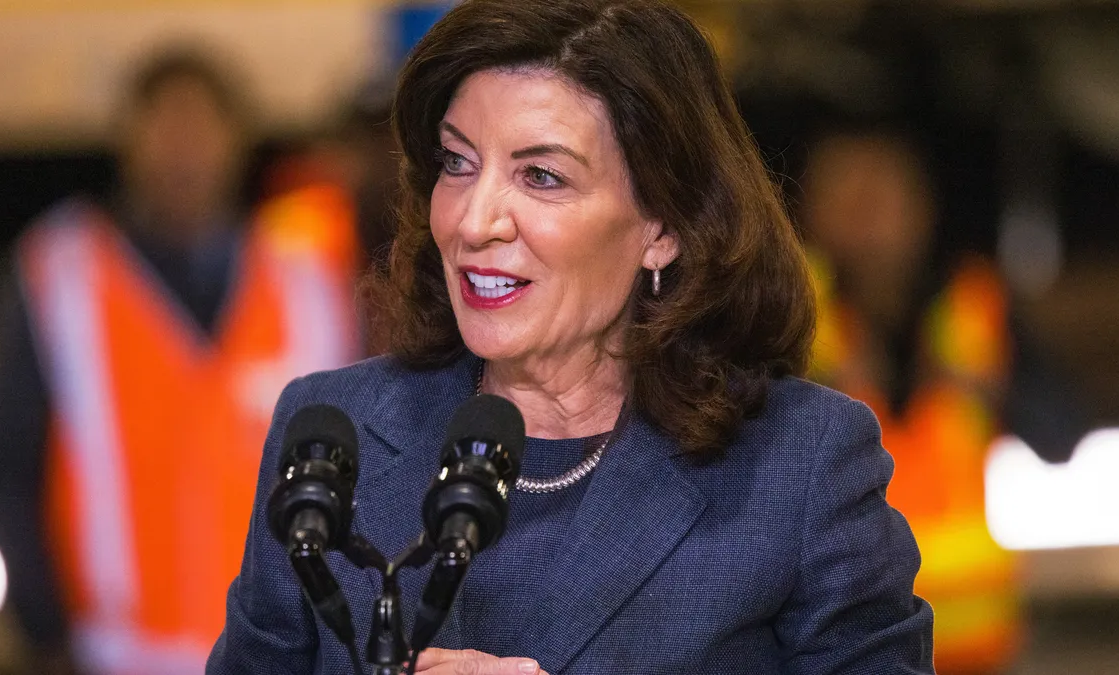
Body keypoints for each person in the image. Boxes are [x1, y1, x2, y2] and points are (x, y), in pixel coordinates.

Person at [208, 1, 934, 673]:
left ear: (664, 227)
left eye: (542, 176)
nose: (473, 220)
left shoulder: (799, 465)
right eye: (458, 163)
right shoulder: (335, 436)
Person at [0, 48, 361, 674]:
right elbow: (3, 467)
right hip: (113, 654)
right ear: (127, 141)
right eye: (164, 127)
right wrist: (45, 633)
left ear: (238, 142)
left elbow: (361, 471)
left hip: (278, 654)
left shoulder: (308, 282)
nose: (184, 151)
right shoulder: (56, 275)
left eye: (202, 127)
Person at [802, 129, 1084, 675]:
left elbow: (1063, 437)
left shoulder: (975, 307)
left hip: (975, 646)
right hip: (841, 646)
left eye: (881, 198)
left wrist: (987, 388)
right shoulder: (788, 321)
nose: (868, 219)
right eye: (849, 200)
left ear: (922, 209)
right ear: (811, 211)